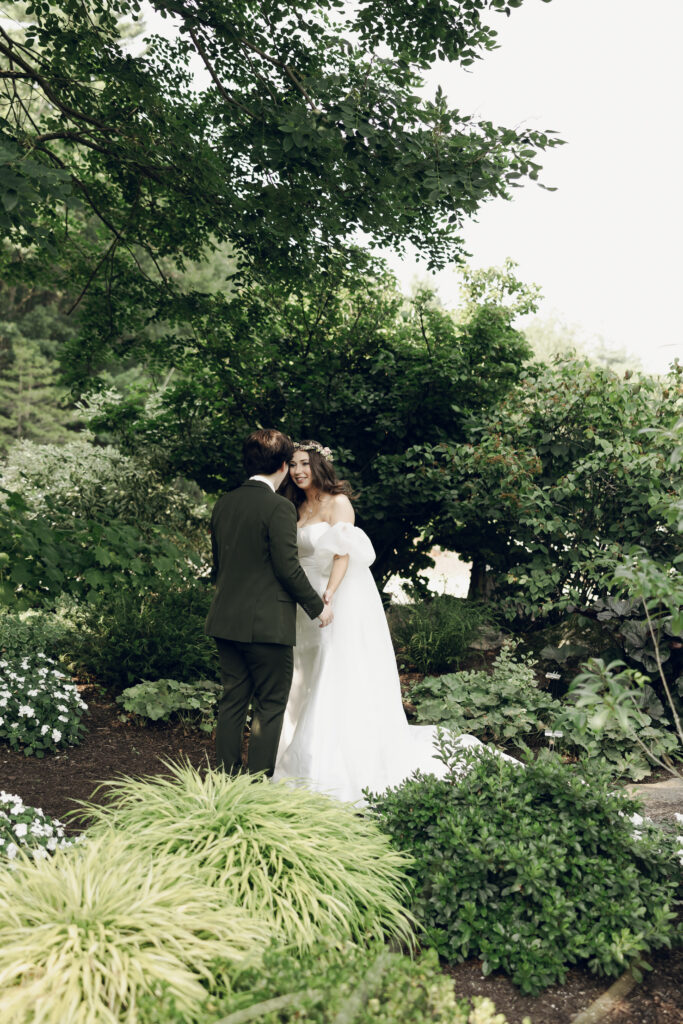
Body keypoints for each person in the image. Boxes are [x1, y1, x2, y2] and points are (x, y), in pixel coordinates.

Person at [272, 440, 490, 804]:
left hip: (332, 595)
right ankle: (289, 745)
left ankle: (323, 760)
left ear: (319, 466)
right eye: (293, 465)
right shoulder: (295, 505)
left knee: (331, 671)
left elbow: (344, 554)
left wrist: (328, 594)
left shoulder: (337, 503)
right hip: (300, 600)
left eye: (304, 464)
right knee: (303, 671)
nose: (297, 471)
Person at [205, 429, 333, 777]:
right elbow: (287, 568)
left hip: (225, 620)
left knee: (232, 702)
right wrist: (318, 607)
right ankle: (259, 784)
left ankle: (226, 780)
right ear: (281, 465)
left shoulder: (224, 503)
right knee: (270, 705)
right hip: (267, 626)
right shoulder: (278, 508)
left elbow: (220, 565)